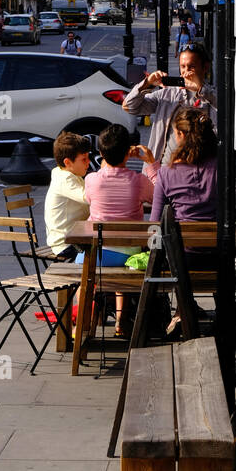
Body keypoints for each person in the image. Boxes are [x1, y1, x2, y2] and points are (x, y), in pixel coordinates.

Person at [83, 123, 158, 334]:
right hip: (127, 255)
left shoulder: (91, 180)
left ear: (100, 153)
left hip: (95, 255)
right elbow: (160, 195)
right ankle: (121, 319)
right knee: (125, 254)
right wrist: (150, 163)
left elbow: (89, 198)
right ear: (128, 153)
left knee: (82, 265)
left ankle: (83, 322)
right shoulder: (139, 181)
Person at [123, 39, 217, 165]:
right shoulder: (168, 94)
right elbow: (129, 106)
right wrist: (147, 84)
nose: (186, 71)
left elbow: (229, 114)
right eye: (183, 66)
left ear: (205, 67)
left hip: (199, 173)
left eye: (192, 66)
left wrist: (201, 90)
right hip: (163, 172)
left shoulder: (213, 96)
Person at [150, 108, 218, 225]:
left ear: (181, 134)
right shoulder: (219, 167)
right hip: (217, 240)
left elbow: (155, 220)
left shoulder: (166, 173)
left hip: (180, 241)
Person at [44, 131, 92, 259]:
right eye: (84, 159)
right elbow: (88, 197)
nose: (88, 162)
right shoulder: (65, 179)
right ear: (68, 162)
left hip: (73, 238)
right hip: (66, 243)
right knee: (106, 250)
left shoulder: (68, 174)